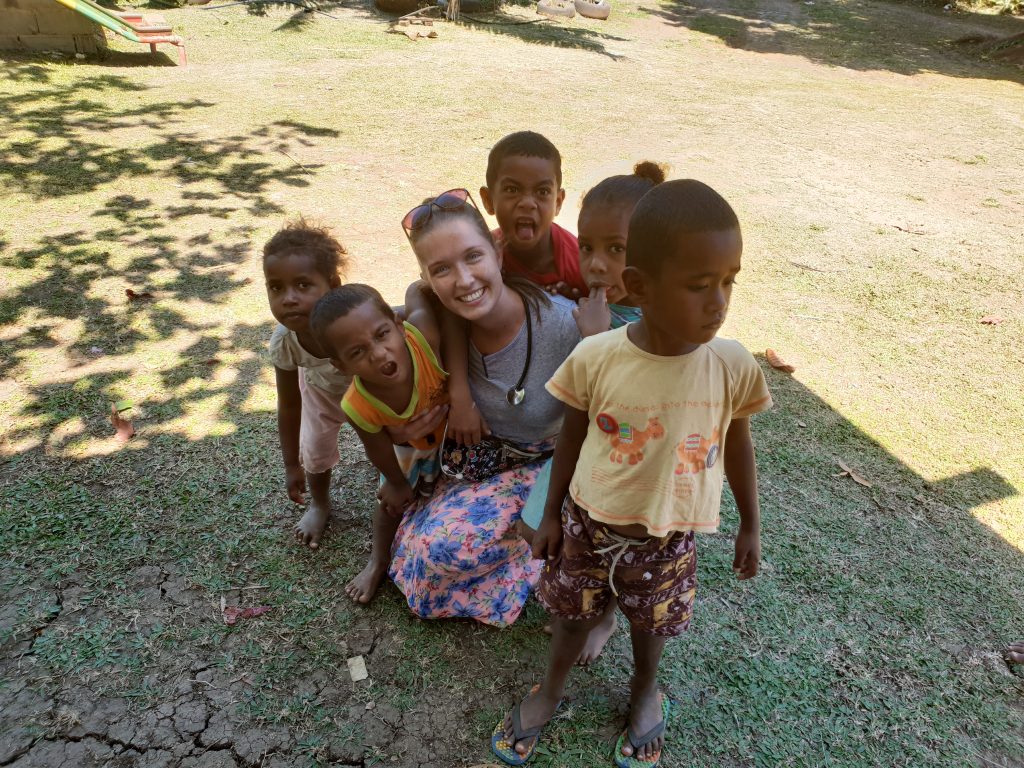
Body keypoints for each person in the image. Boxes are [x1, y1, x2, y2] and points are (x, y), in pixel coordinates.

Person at [492, 180, 773, 767]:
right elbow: (570, 438)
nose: (719, 301)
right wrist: (548, 516)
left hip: (668, 536)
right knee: (571, 618)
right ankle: (550, 690)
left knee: (652, 627)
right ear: (640, 286)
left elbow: (738, 442)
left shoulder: (732, 365)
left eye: (728, 281)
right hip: (587, 525)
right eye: (699, 286)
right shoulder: (597, 357)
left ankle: (644, 691)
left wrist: (750, 523)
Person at [388, 188, 580, 627]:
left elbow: (594, 428)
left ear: (497, 250)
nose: (464, 280)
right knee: (429, 552)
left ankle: (536, 555)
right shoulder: (437, 326)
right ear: (427, 279)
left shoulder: (564, 327)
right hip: (477, 461)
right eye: (442, 269)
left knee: (445, 550)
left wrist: (545, 507)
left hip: (548, 465)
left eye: (473, 257)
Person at [519, 160, 668, 666]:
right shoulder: (599, 300)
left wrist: (595, 337)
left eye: (616, 249)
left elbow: (628, 400)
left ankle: (602, 616)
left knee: (609, 551)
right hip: (578, 450)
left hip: (624, 466)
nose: (597, 264)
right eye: (587, 248)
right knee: (536, 524)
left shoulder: (663, 325)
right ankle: (571, 597)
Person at [310, 284, 447, 604]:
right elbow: (378, 448)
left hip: (454, 434)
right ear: (341, 365)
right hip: (408, 449)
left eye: (382, 334)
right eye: (357, 352)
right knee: (388, 504)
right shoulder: (357, 404)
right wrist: (397, 483)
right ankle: (378, 561)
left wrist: (418, 286)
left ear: (399, 325)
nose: (378, 353)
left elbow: (418, 301)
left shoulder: (423, 338)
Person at [264, 219, 349, 550]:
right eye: (276, 287)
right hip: (320, 393)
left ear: (333, 285)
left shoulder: (353, 319)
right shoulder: (285, 342)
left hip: (368, 389)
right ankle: (320, 504)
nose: (288, 299)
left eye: (302, 285)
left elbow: (392, 320)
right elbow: (288, 406)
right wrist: (290, 464)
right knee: (314, 450)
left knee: (394, 443)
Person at [481, 131, 587, 299]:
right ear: (488, 200)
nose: (528, 203)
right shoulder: (481, 256)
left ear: (558, 203)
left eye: (542, 191)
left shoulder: (580, 263)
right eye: (512, 190)